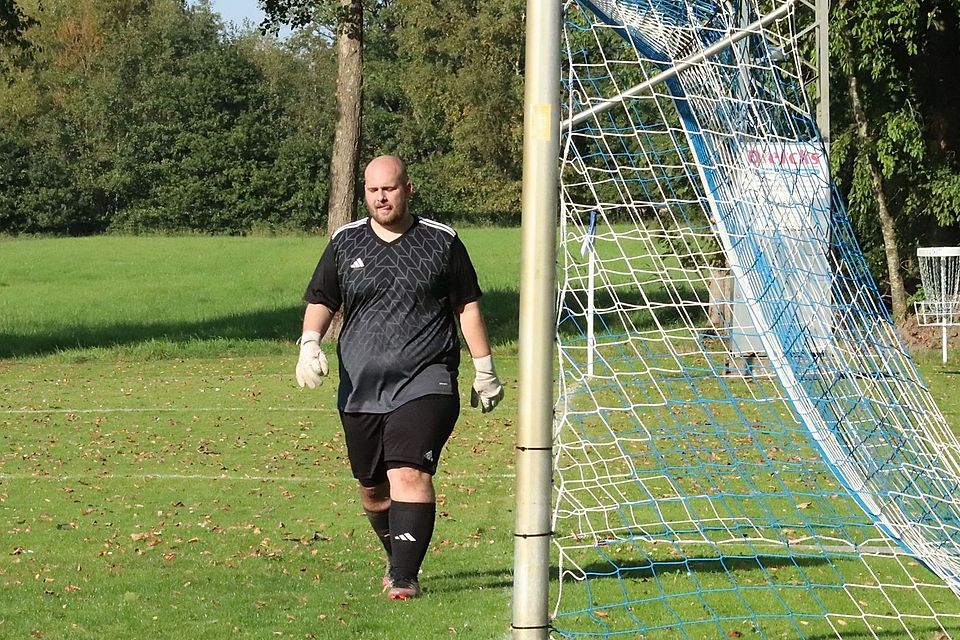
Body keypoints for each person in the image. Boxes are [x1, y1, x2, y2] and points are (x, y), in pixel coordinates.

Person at [295, 155, 504, 600]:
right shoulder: (345, 242)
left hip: (428, 378)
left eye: (389, 189)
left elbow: (466, 306)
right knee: (373, 491)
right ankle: (397, 557)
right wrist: (309, 342)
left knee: (408, 473)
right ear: (364, 193)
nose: (381, 197)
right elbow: (322, 298)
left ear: (408, 189)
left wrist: (483, 367)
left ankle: (405, 577)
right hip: (360, 385)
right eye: (373, 190)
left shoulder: (441, 242)